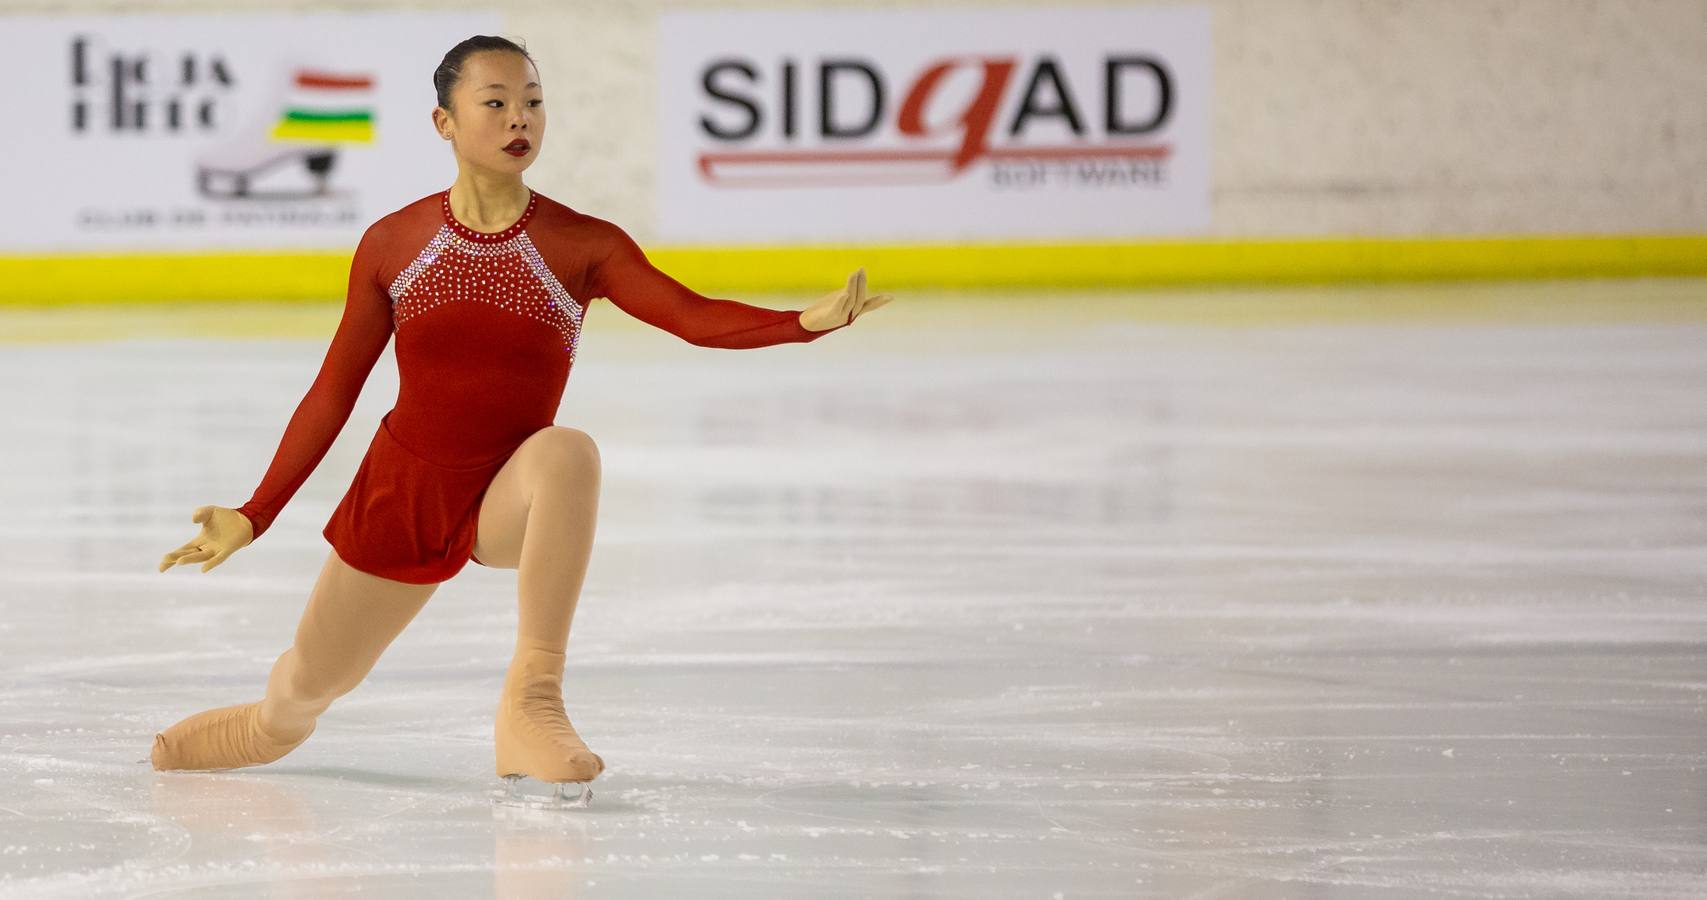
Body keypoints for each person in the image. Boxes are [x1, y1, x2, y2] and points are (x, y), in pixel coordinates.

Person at [150, 35, 891, 806]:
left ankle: (531, 700)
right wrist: (254, 512)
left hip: (504, 494)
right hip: (401, 498)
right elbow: (333, 392)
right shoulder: (393, 244)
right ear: (444, 122)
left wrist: (803, 322)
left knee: (566, 453)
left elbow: (691, 317)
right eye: (495, 103)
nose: (519, 119)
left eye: (532, 101)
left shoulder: (581, 244)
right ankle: (264, 728)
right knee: (305, 689)